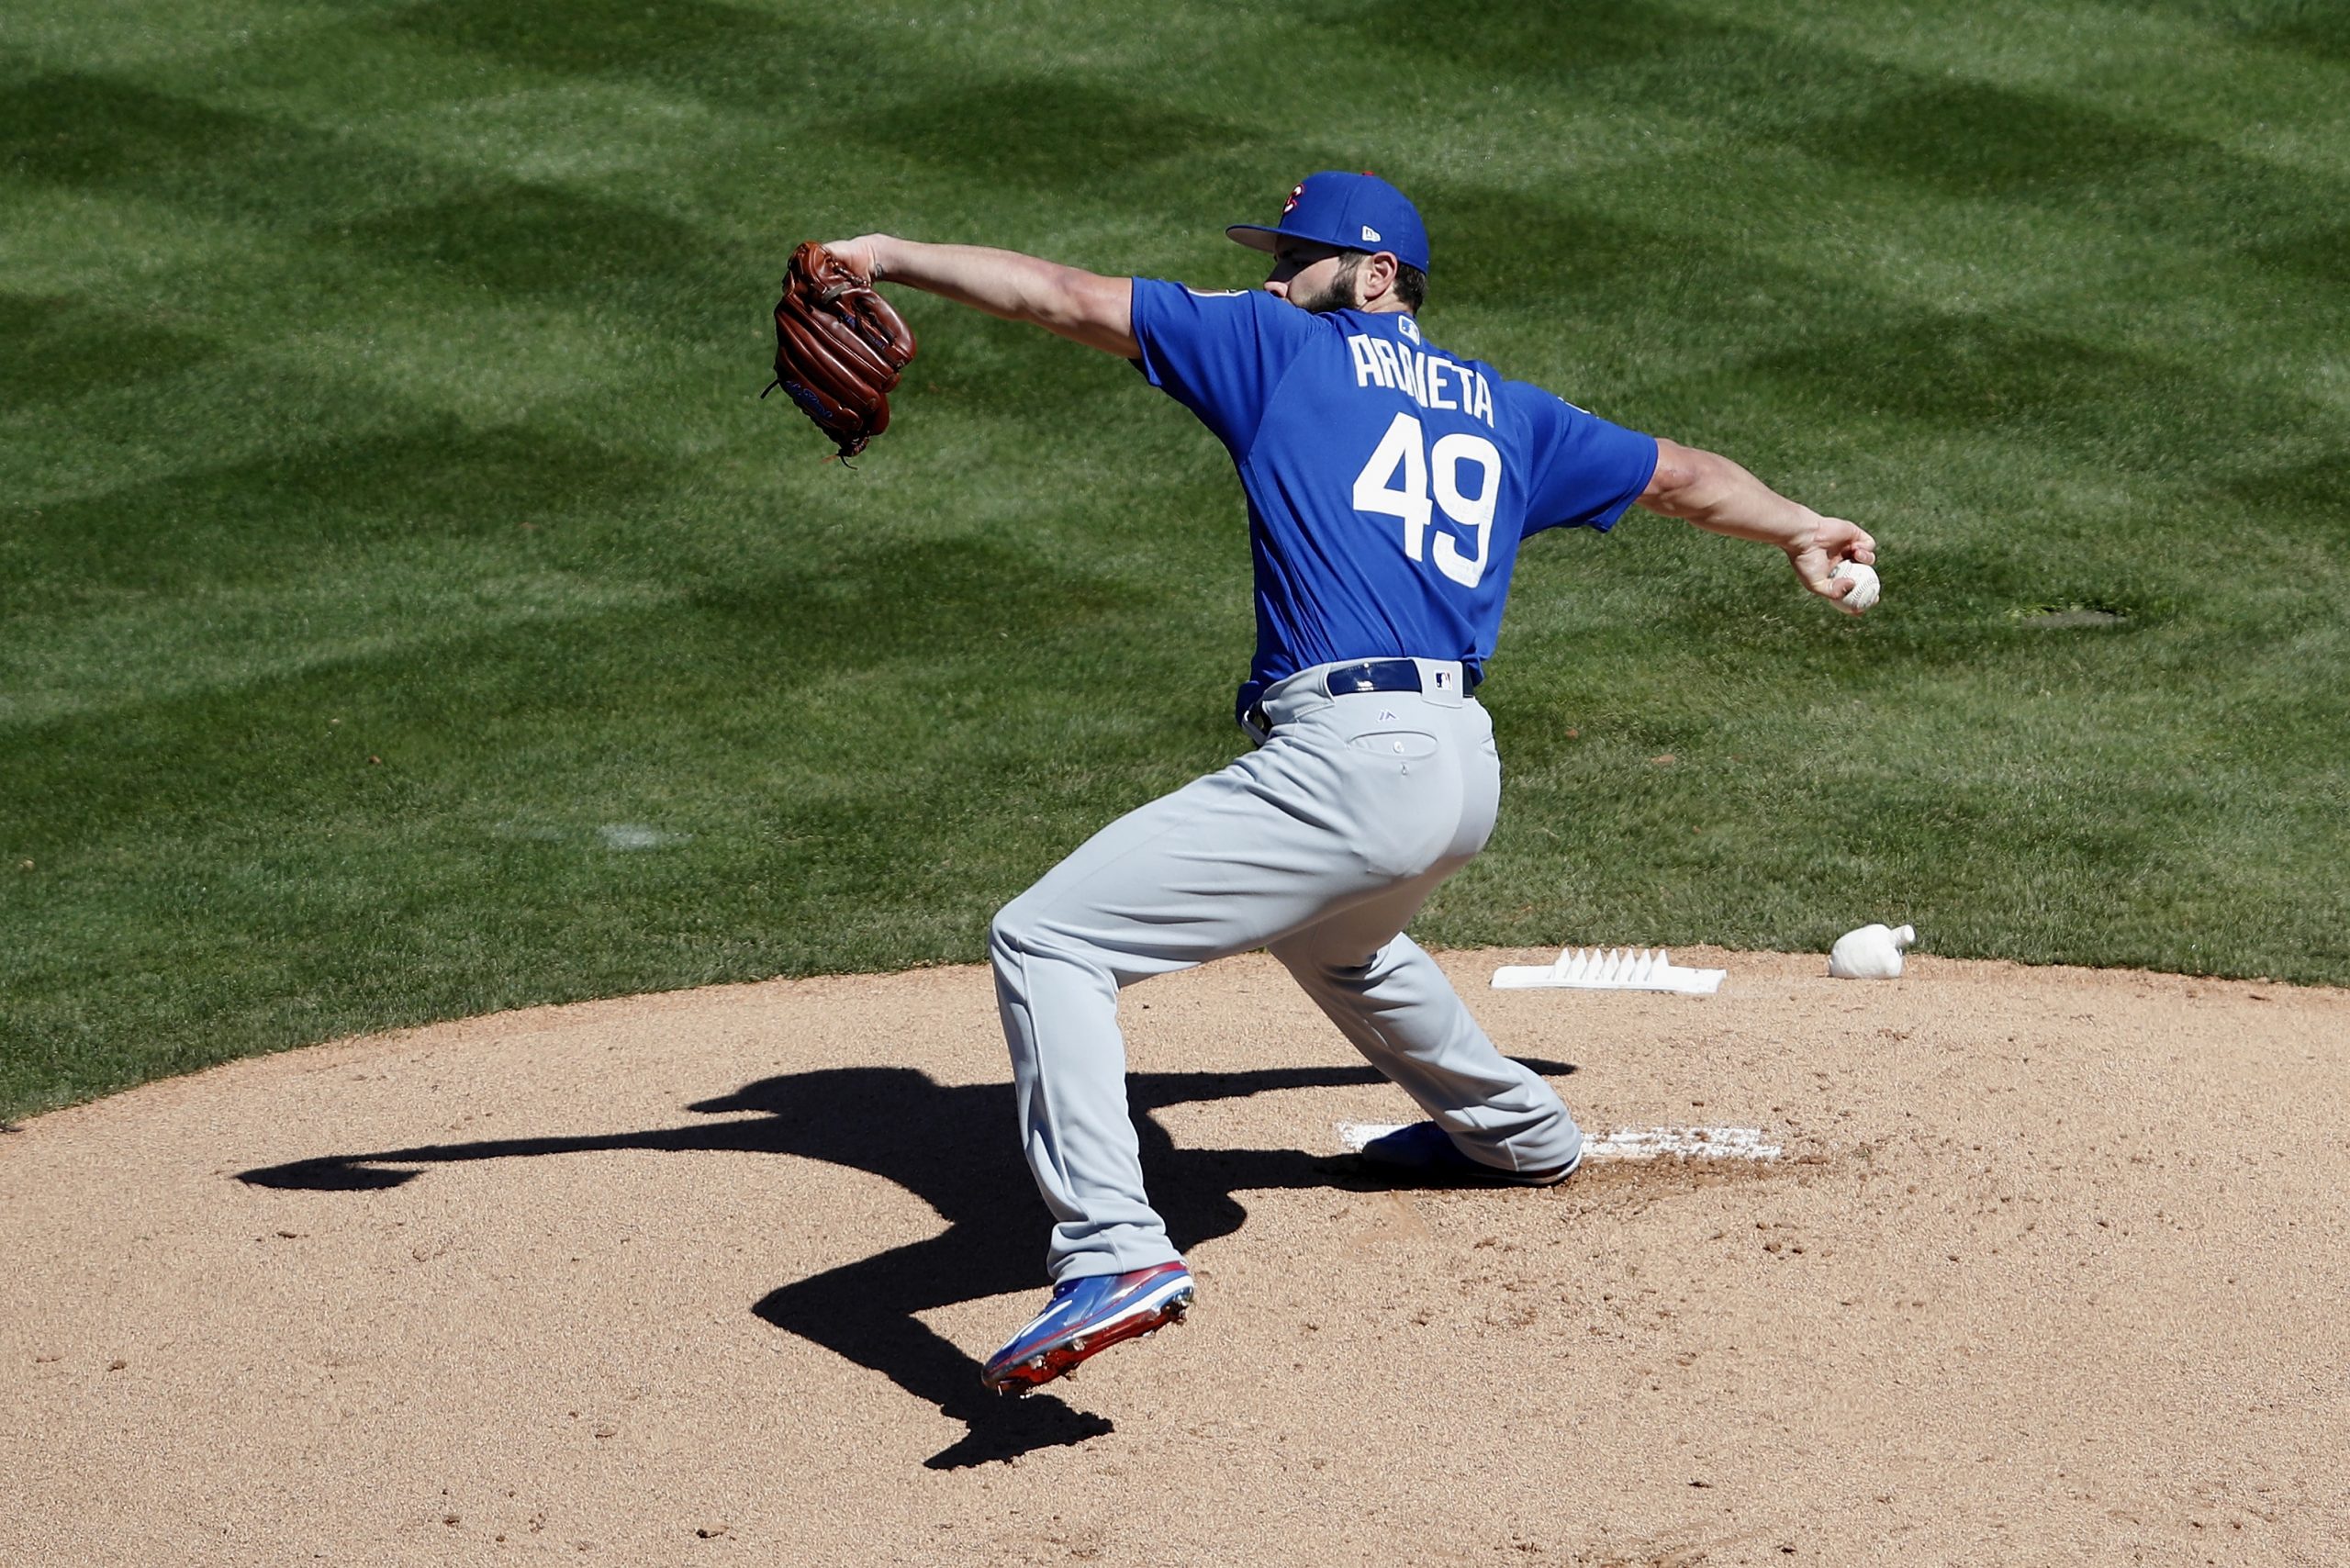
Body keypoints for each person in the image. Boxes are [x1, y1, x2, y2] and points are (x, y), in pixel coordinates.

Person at [823, 170, 1874, 1396]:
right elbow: (1678, 474)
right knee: (1343, 943)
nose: (1275, 277)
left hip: (1348, 762)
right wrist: (1801, 524)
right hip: (1458, 771)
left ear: (1378, 275)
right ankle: (1518, 1131)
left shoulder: (1278, 348)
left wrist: (889, 252)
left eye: (1301, 256)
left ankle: (1113, 1253)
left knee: (1046, 937)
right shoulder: (1505, 409)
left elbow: (1061, 299)